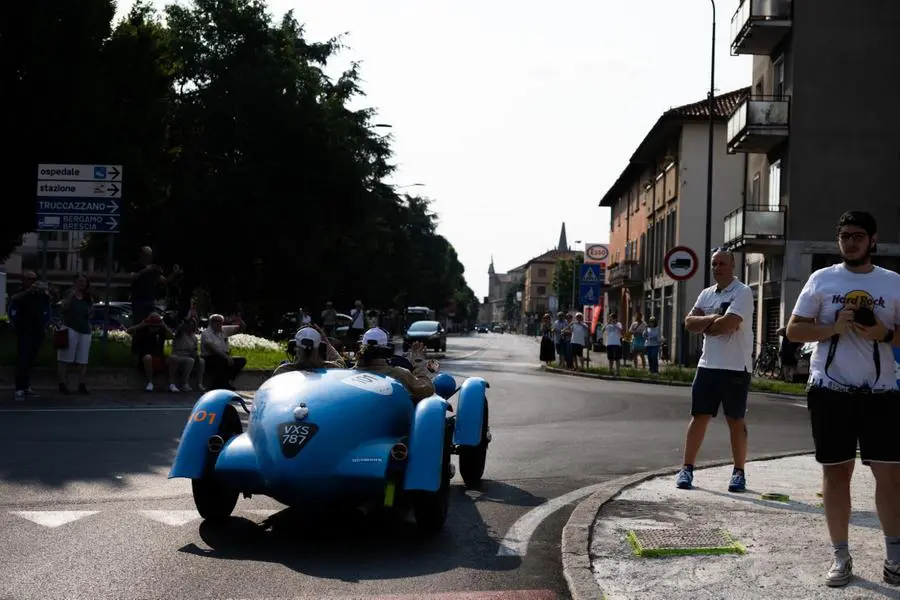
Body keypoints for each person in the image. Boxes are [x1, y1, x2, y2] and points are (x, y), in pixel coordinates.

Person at [785, 210, 900, 588]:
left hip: (881, 393)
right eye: (845, 236)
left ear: (872, 239)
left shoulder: (893, 282)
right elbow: (794, 330)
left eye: (858, 236)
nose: (851, 242)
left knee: (891, 477)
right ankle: (840, 556)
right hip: (830, 391)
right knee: (836, 475)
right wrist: (831, 329)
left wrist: (884, 334)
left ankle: (894, 558)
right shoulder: (821, 279)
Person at [678, 249, 754, 493]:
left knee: (735, 420)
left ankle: (739, 472)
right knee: (699, 416)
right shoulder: (706, 293)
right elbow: (689, 323)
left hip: (735, 368)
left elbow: (729, 324)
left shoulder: (742, 292)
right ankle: (687, 469)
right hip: (707, 365)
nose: (717, 267)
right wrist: (713, 319)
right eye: (714, 263)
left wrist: (708, 324)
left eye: (722, 263)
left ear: (733, 265)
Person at [353, 327, 435, 402]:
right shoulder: (399, 375)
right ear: (387, 350)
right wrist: (418, 362)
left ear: (360, 348)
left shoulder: (347, 375)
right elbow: (427, 390)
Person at [57, 273, 94, 395]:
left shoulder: (88, 297)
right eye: (80, 281)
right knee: (65, 358)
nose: (82, 284)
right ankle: (62, 383)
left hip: (84, 330)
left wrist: (89, 313)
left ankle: (81, 384)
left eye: (84, 282)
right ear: (75, 282)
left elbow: (91, 312)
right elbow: (64, 308)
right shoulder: (69, 294)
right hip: (70, 328)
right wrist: (71, 296)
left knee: (83, 359)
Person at [127, 313, 174, 392]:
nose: (154, 327)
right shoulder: (142, 330)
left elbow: (171, 336)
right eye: (152, 325)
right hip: (145, 356)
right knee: (148, 358)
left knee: (172, 358)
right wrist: (141, 325)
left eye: (156, 325)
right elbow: (129, 331)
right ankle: (150, 383)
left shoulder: (161, 330)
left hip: (159, 355)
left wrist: (164, 325)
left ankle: (171, 384)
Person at [272, 325, 346, 375]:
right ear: (320, 348)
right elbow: (342, 365)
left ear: (295, 347)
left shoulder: (283, 371)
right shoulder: (332, 369)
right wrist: (326, 341)